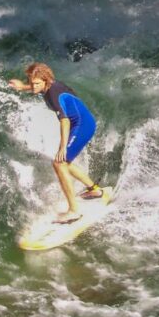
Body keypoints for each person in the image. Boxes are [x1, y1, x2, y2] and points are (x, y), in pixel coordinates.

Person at [9, 62, 102, 224]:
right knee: (65, 163)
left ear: (46, 81)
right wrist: (22, 87)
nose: (33, 86)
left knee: (59, 163)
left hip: (82, 125)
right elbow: (36, 87)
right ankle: (94, 190)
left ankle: (73, 211)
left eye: (36, 83)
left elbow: (64, 121)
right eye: (31, 82)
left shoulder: (53, 93)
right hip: (81, 123)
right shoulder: (47, 85)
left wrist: (62, 147)